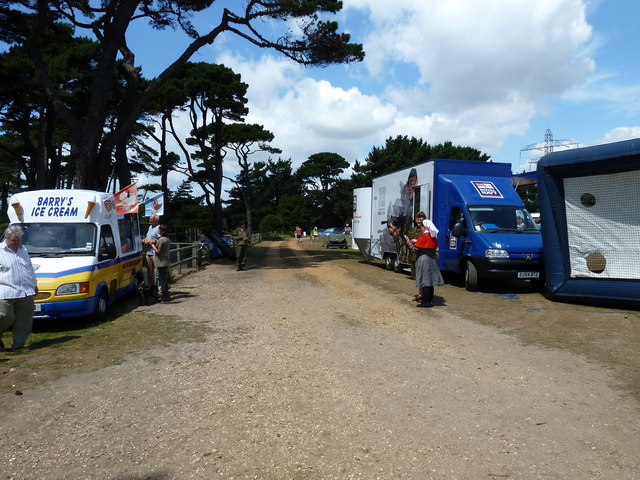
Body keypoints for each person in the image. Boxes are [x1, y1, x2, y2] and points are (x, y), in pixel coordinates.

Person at [0, 225, 38, 351]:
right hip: (5, 291)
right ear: (6, 238)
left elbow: (29, 268)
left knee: (24, 319)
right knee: (6, 316)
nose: (16, 243)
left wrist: (34, 284)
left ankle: (19, 345)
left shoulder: (23, 250)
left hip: (25, 290)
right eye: (13, 240)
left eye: (19, 240)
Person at [404, 217, 444, 308]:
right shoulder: (433, 237)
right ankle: (429, 301)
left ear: (425, 227)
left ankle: (426, 302)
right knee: (430, 283)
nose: (420, 228)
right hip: (431, 259)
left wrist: (408, 242)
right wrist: (417, 241)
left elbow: (414, 249)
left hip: (424, 260)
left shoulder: (424, 236)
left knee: (425, 282)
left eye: (422, 226)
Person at [151, 224, 171, 302]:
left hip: (161, 262)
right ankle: (166, 295)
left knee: (162, 280)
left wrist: (152, 245)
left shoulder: (161, 239)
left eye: (159, 229)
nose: (157, 230)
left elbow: (158, 251)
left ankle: (165, 297)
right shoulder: (167, 239)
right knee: (164, 279)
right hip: (165, 261)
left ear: (162, 231)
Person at [141, 214, 160, 289]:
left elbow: (160, 240)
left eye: (151, 218)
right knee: (148, 270)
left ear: (156, 220)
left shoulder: (158, 228)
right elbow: (148, 237)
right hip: (148, 252)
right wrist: (144, 240)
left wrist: (151, 242)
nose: (149, 220)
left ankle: (158, 288)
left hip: (155, 253)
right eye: (149, 218)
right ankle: (151, 286)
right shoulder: (150, 227)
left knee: (156, 271)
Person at [408, 212, 426, 281]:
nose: (419, 222)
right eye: (417, 220)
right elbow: (410, 237)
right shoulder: (414, 229)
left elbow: (426, 241)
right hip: (413, 255)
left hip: (421, 256)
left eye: (420, 220)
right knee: (413, 277)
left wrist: (417, 241)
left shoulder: (425, 230)